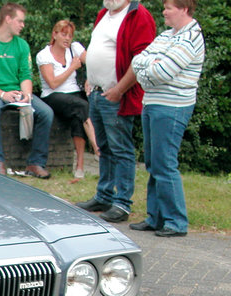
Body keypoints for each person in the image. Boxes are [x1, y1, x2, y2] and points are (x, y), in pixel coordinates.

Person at [75, 0, 155, 222]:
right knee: (105, 148)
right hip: (98, 92)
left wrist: (120, 89)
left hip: (116, 94)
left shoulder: (138, 16)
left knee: (121, 149)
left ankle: (122, 202)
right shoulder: (103, 14)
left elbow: (141, 59)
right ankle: (104, 195)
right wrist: (90, 80)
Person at [130, 0, 204, 237]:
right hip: (152, 103)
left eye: (168, 7)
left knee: (164, 163)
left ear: (183, 9)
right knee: (152, 162)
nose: (163, 12)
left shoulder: (191, 37)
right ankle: (155, 217)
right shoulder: (165, 35)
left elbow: (163, 72)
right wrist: (153, 66)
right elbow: (137, 60)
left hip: (172, 107)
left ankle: (175, 221)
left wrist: (150, 69)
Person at [0, 3, 54, 178]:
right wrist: (3, 94)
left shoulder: (22, 46)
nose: (22, 25)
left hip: (17, 92)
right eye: (20, 21)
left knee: (46, 112)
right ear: (8, 19)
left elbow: (26, 74)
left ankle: (36, 163)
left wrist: (26, 95)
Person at [36, 20, 100, 182]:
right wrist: (72, 67)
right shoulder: (44, 55)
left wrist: (90, 78)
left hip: (74, 95)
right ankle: (97, 147)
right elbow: (53, 83)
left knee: (78, 118)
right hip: (53, 95)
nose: (67, 39)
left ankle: (79, 166)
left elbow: (93, 63)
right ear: (54, 34)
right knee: (82, 105)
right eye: (63, 34)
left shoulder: (75, 48)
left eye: (70, 36)